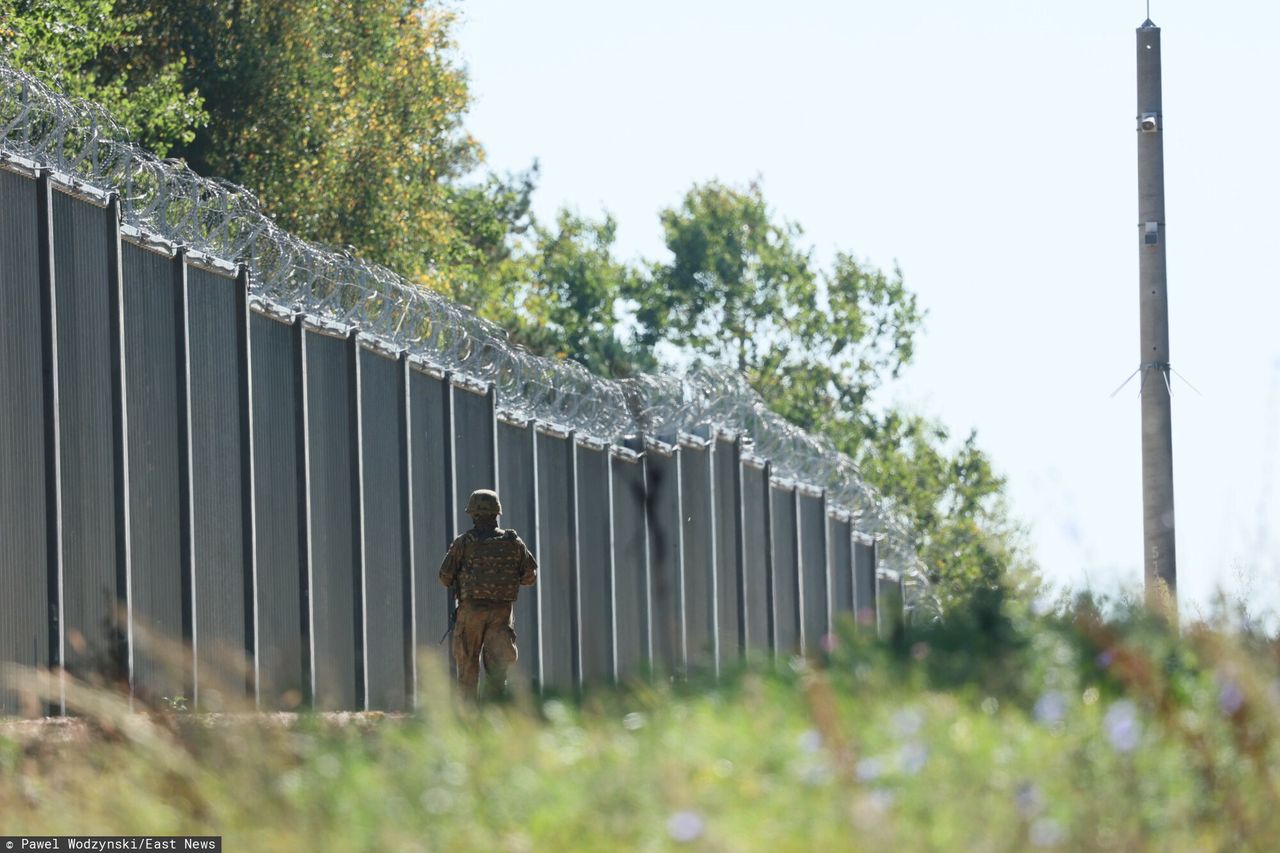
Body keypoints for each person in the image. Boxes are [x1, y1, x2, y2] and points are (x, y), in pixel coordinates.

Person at [438, 489, 537, 700]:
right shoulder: (514, 542)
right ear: (496, 513)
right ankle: (494, 719)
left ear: (473, 514)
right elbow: (530, 577)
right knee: (497, 671)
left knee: (467, 666)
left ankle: (468, 718)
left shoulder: (464, 542)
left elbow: (445, 577)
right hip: (501, 613)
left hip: (471, 611)